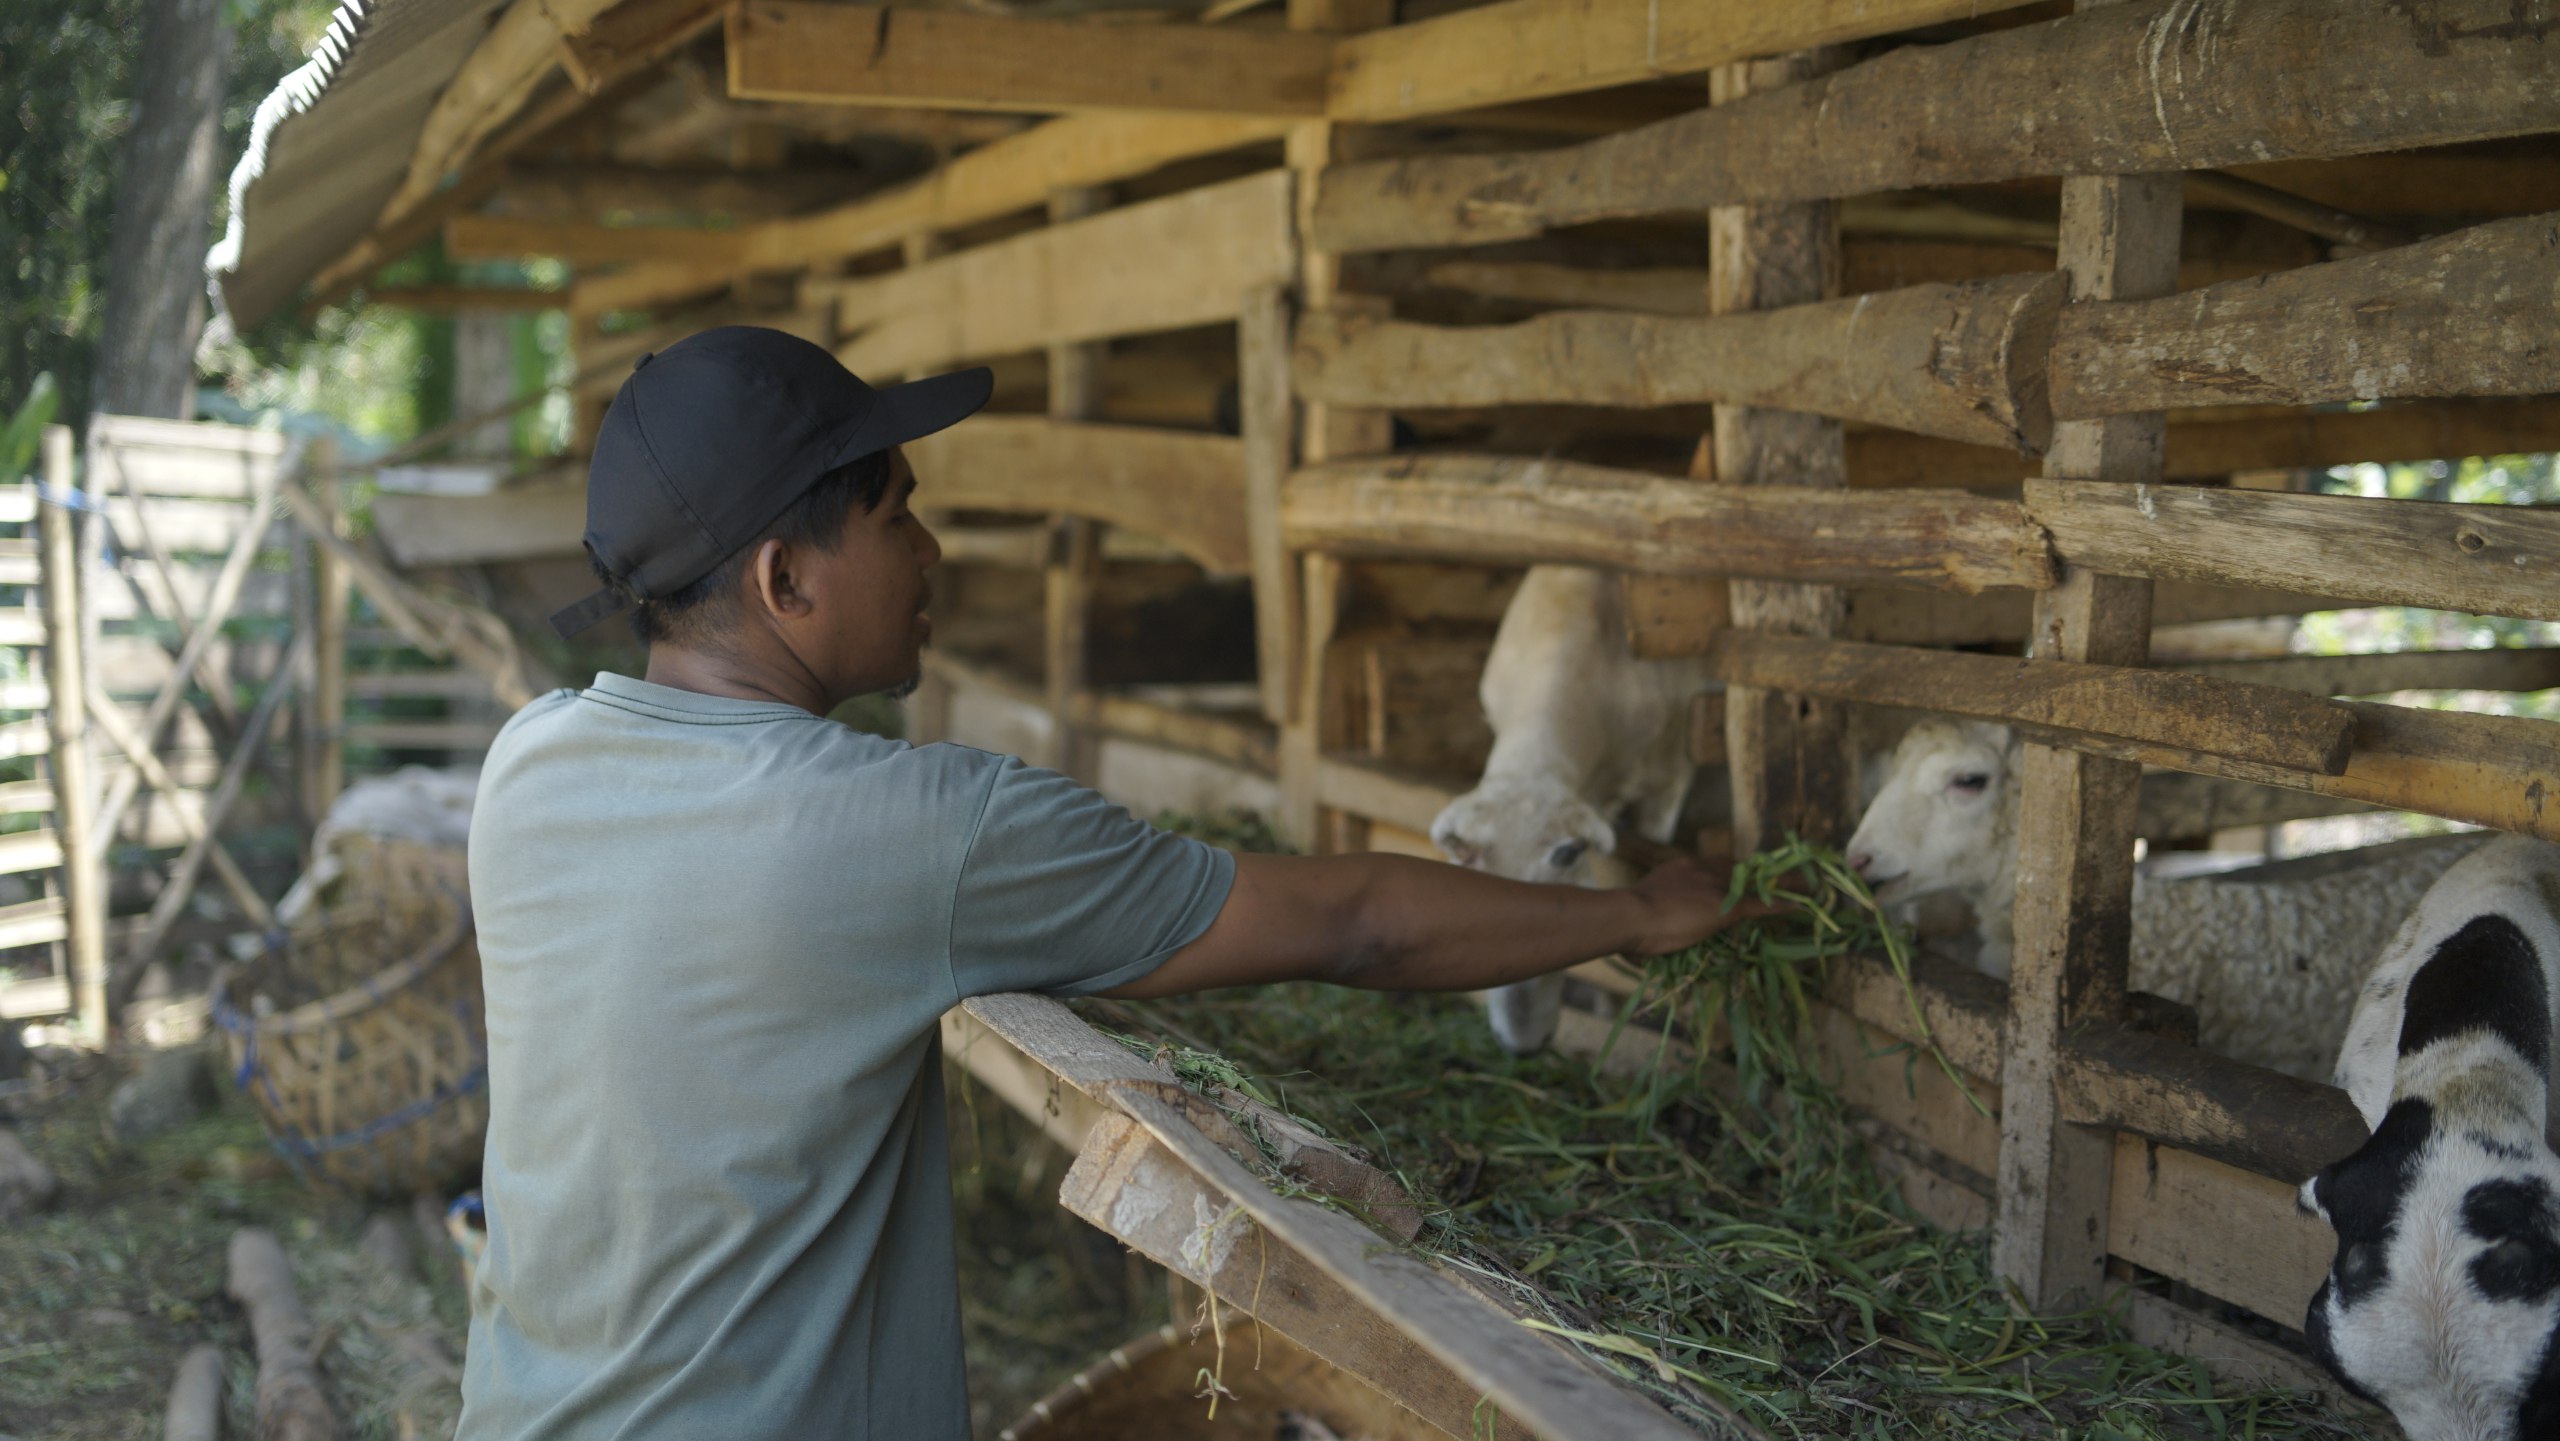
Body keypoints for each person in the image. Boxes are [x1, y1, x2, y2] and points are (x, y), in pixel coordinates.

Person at [456, 326, 1764, 1439]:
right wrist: (1636, 913)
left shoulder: (530, 765)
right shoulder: (913, 827)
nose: (929, 552)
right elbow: (1354, 922)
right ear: (785, 577)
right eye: (896, 513)